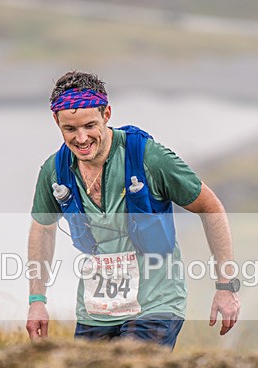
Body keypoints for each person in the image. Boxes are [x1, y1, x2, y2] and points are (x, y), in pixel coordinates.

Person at [26, 71, 240, 349]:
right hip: (97, 309)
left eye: (90, 125)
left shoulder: (150, 158)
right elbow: (42, 229)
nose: (81, 138)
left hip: (156, 304)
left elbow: (211, 208)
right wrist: (37, 301)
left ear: (107, 114)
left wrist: (225, 286)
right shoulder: (54, 171)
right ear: (57, 121)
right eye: (70, 129)